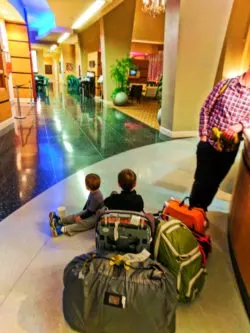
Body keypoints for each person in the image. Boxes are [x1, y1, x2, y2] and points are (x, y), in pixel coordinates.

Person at [189, 69, 250, 211]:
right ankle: (191, 212)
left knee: (214, 183)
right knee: (201, 181)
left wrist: (240, 125)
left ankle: (201, 211)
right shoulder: (226, 84)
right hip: (209, 144)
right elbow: (206, 109)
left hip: (229, 150)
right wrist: (203, 137)